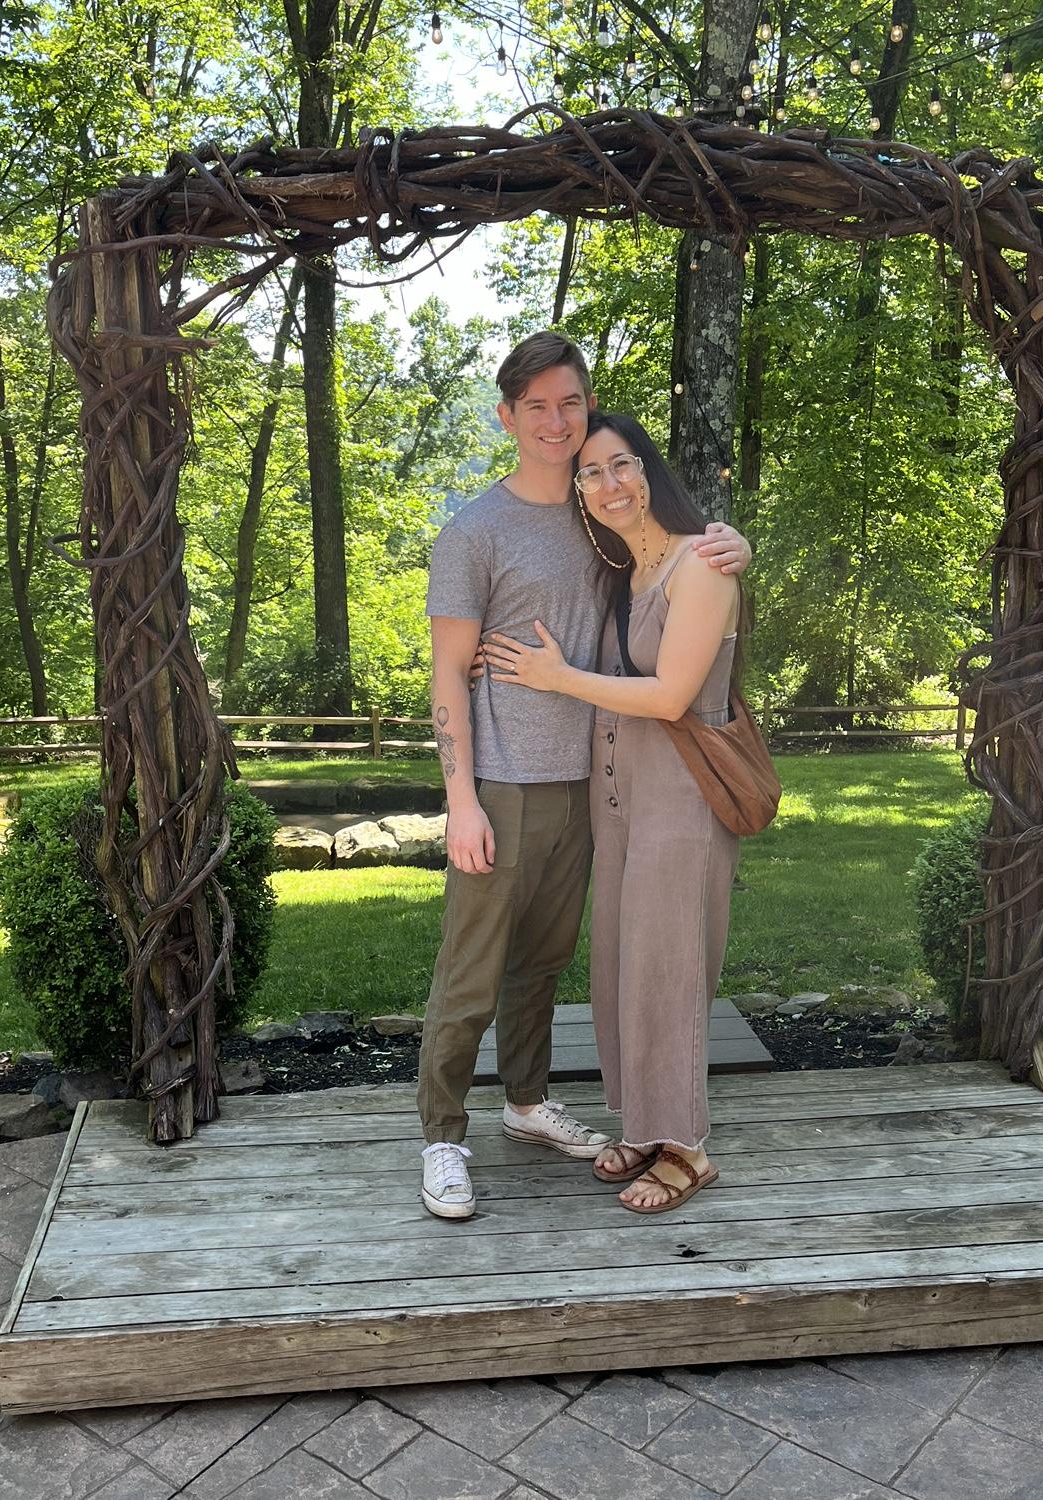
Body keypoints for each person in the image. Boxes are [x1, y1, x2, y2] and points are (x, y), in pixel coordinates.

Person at [417, 332, 751, 1220]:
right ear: (508, 417)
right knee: (473, 967)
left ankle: (526, 1104)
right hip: (504, 782)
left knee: (546, 964)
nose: (558, 423)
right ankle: (443, 1135)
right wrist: (459, 801)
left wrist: (733, 547)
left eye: (572, 403)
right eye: (537, 407)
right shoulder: (473, 532)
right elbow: (448, 673)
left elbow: (675, 572)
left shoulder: (599, 516)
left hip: (597, 789)